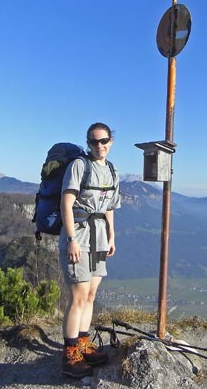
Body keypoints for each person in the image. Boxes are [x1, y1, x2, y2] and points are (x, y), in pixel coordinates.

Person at [59, 122, 121, 378]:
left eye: (103, 140)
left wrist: (111, 234)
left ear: (111, 141)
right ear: (88, 143)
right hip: (80, 236)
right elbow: (67, 201)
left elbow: (108, 206)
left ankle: (84, 344)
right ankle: (70, 354)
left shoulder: (112, 170)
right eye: (94, 142)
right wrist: (71, 238)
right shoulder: (79, 166)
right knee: (78, 296)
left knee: (91, 295)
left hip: (99, 237)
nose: (99, 146)